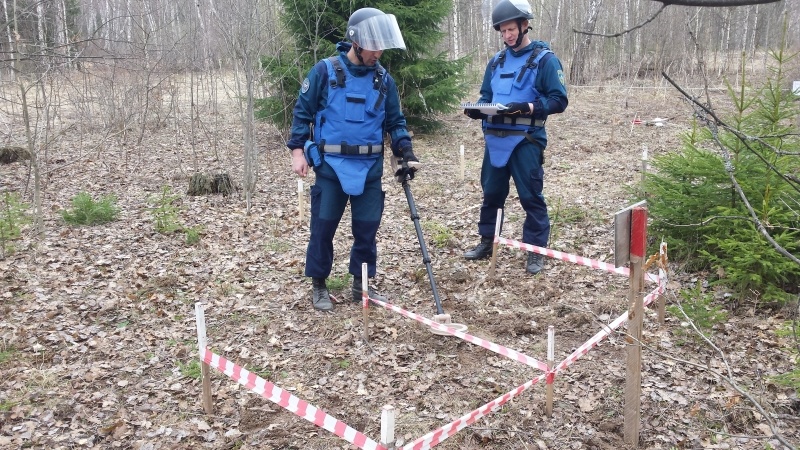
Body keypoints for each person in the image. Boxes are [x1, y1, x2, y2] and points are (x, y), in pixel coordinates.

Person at [287, 7, 418, 311]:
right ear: (356, 42)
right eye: (374, 46)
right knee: (323, 228)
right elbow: (302, 113)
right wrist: (297, 151)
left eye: (383, 45)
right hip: (330, 167)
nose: (379, 52)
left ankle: (361, 285)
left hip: (370, 167)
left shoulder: (385, 81)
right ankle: (318, 285)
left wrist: (405, 151)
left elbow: (395, 122)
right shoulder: (324, 71)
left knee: (367, 229)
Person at [462, 0, 568, 275]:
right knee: (492, 194)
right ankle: (488, 241)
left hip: (526, 140)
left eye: (511, 29)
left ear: (524, 25)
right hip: (495, 139)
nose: (507, 35)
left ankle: (535, 250)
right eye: (503, 31)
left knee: (530, 196)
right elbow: (486, 95)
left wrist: (526, 107)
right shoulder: (496, 62)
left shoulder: (545, 60)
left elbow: (558, 101)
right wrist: (479, 109)